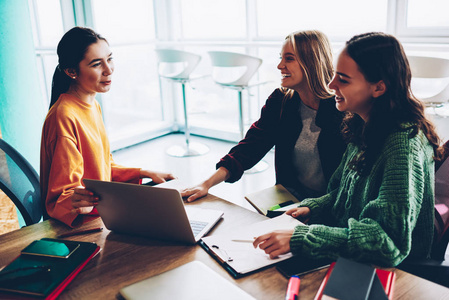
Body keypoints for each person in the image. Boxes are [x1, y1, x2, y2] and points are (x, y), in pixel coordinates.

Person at [253, 32, 443, 267]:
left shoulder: (403, 144)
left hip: (395, 272)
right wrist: (310, 209)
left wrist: (303, 237)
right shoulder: (362, 123)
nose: (331, 85)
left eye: (343, 79)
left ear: (379, 87)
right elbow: (343, 195)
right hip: (352, 253)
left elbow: (387, 243)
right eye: (334, 75)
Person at [181, 30, 346, 202]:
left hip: (332, 205)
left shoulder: (343, 108)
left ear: (311, 62)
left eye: (289, 59)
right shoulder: (281, 101)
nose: (280, 65)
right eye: (280, 58)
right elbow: (250, 147)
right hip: (291, 198)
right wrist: (206, 184)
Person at [40, 27, 175, 228]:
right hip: (81, 225)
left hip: (102, 213)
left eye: (109, 59)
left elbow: (102, 167)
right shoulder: (64, 115)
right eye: (96, 64)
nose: (108, 69)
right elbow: (63, 195)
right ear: (71, 71)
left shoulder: (92, 105)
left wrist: (143, 173)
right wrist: (74, 201)